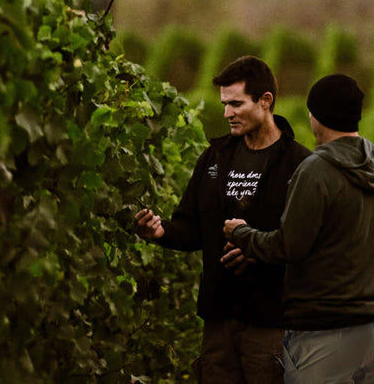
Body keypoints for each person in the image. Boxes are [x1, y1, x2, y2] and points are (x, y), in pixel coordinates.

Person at [134, 55, 313, 383]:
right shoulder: (215, 158)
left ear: (265, 101)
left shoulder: (300, 165)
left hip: (271, 322)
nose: (227, 112)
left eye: (236, 104)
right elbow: (191, 228)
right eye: (224, 104)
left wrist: (257, 249)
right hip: (218, 319)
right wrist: (161, 231)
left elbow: (309, 243)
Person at [223, 73, 374, 384]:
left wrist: (241, 233)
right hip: (370, 327)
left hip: (323, 329)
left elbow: (289, 246)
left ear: (316, 116)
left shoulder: (317, 170)